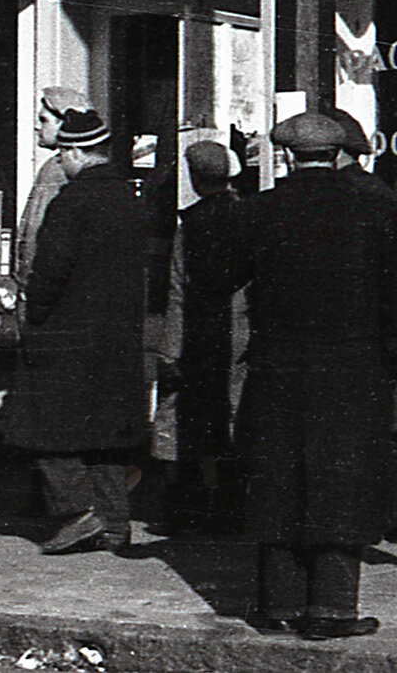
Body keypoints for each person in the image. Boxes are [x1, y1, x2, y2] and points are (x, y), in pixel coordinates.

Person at [229, 111, 397, 640]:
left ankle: (277, 604)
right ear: (341, 152)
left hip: (278, 364)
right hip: (353, 367)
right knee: (341, 478)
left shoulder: (261, 211)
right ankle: (331, 607)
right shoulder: (376, 211)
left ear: (286, 155)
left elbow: (220, 277)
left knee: (277, 475)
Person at [5, 109, 149, 554]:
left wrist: (34, 316)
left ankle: (78, 513)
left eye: (62, 153)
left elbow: (49, 272)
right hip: (118, 334)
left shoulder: (71, 201)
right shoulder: (130, 198)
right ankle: (114, 522)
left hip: (66, 334)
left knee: (47, 428)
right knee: (106, 437)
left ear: (73, 151)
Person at [158, 139, 245, 532]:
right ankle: (233, 505)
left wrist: (170, 349)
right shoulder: (249, 216)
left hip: (198, 333)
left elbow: (178, 291)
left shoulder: (190, 224)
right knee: (234, 419)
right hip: (240, 333)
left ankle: (189, 508)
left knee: (192, 422)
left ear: (194, 178)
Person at [16, 87, 92, 288]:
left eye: (44, 120)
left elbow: (36, 229)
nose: (37, 127)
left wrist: (26, 282)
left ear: (63, 125)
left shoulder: (57, 170)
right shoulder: (70, 167)